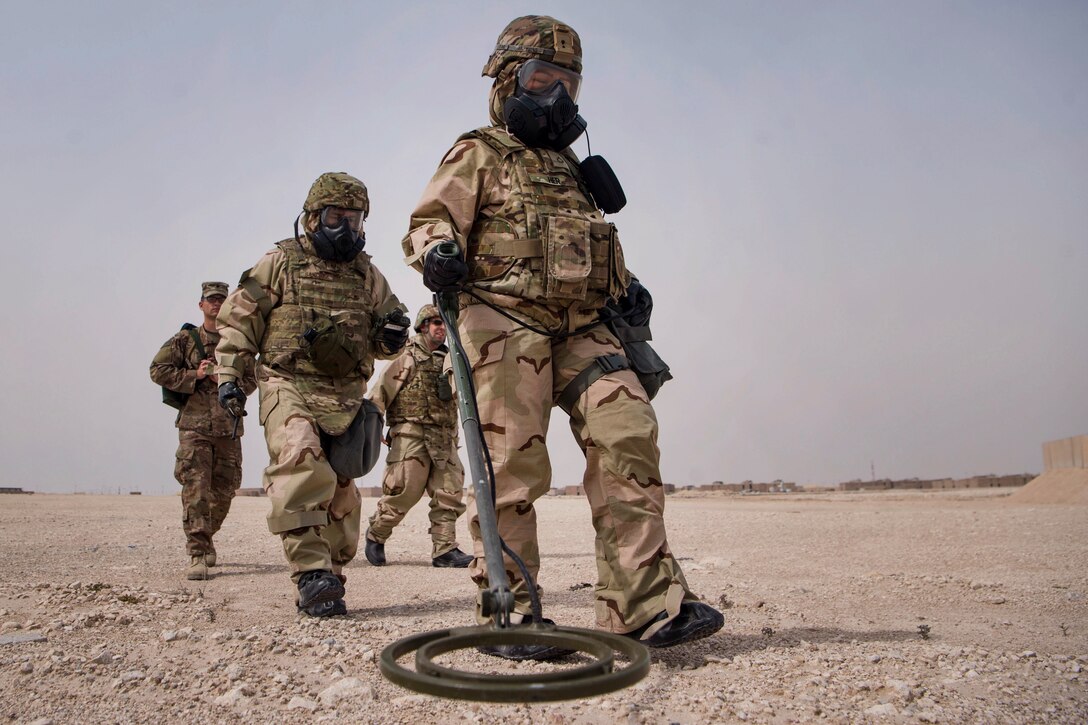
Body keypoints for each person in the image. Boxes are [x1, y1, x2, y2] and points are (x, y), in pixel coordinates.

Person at [402, 15, 724, 657]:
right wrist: (437, 251)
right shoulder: (478, 152)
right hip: (502, 323)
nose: (554, 96)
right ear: (504, 81)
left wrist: (625, 284)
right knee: (511, 467)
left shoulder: (574, 170)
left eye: (567, 85)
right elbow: (427, 222)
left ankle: (642, 606)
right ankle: (512, 614)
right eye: (539, 79)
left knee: (627, 430)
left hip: (583, 325)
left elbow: (580, 242)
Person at [214, 172, 410, 617]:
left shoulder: (368, 275)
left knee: (342, 488)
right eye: (335, 216)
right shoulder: (281, 261)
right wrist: (230, 375)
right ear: (312, 218)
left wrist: (393, 335)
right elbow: (240, 319)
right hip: (289, 383)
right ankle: (310, 571)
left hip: (345, 396)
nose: (346, 227)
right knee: (301, 460)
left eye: (355, 218)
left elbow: (383, 335)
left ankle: (330, 575)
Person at [150, 281, 258, 580]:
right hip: (194, 428)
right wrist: (195, 375)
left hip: (228, 426)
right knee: (196, 491)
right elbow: (157, 370)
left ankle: (207, 536)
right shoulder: (185, 340)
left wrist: (228, 383)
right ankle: (197, 552)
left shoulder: (238, 341)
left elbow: (253, 377)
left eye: (221, 300)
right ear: (201, 305)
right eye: (211, 300)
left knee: (225, 491)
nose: (216, 304)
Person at [363, 305, 474, 569]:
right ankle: (376, 535)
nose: (441, 328)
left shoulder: (452, 360)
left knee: (449, 494)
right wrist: (373, 427)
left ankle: (444, 549)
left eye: (444, 323)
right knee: (404, 492)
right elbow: (380, 394)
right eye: (435, 322)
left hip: (444, 437)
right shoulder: (406, 357)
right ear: (423, 326)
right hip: (411, 435)